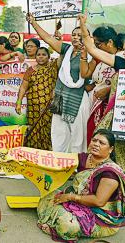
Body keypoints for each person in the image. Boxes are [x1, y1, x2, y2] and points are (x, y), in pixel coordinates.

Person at [37, 130, 125, 242]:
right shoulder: (84, 158)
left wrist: (70, 197)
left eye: (101, 143)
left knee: (69, 226)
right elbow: (58, 161)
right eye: (94, 140)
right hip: (77, 203)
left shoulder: (110, 173)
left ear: (110, 149)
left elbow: (99, 201)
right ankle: (57, 219)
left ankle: (56, 225)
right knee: (47, 197)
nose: (96, 144)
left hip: (99, 217)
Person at [79, 14, 125, 188]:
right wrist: (83, 26)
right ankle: (109, 188)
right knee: (105, 149)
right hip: (116, 118)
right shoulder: (121, 63)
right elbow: (92, 48)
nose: (124, 53)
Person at [27, 13, 91, 153]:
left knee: (77, 136)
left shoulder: (91, 54)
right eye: (74, 34)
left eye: (80, 35)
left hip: (78, 99)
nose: (75, 37)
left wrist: (83, 25)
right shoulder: (67, 50)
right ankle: (60, 163)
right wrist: (33, 22)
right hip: (61, 98)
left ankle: (76, 166)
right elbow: (48, 38)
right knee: (59, 133)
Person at [79, 25, 125, 144]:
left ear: (110, 42)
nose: (97, 47)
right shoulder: (100, 58)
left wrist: (108, 90)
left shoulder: (122, 59)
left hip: (109, 106)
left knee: (103, 138)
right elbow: (87, 75)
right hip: (94, 102)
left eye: (98, 44)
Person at [16, 47, 58, 150]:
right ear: (35, 57)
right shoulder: (30, 70)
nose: (41, 57)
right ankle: (33, 152)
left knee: (49, 129)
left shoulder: (53, 67)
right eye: (39, 54)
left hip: (49, 106)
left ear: (48, 57)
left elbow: (61, 55)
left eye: (44, 54)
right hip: (33, 106)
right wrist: (18, 102)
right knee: (33, 129)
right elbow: (23, 87)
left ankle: (48, 153)